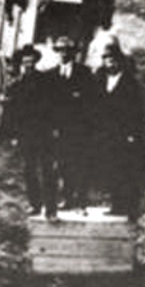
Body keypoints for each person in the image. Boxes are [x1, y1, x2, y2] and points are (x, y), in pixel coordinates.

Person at [91, 38, 144, 220]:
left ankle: (129, 206)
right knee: (111, 168)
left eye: (113, 59)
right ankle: (116, 204)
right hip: (106, 133)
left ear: (120, 61)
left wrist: (132, 134)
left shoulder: (129, 83)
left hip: (124, 134)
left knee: (126, 170)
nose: (110, 62)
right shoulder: (100, 80)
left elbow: (137, 111)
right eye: (107, 59)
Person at [2, 45, 58, 218]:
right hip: (26, 134)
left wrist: (55, 128)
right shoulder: (16, 85)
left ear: (36, 62)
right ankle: (35, 205)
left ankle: (51, 209)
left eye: (31, 61)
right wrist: (12, 135)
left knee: (48, 170)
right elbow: (11, 112)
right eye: (25, 61)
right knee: (29, 170)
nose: (28, 64)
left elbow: (54, 108)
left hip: (44, 132)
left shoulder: (47, 82)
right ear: (21, 64)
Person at [44, 36, 94, 211]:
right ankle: (66, 198)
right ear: (57, 52)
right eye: (61, 50)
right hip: (58, 129)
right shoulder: (50, 75)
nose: (64, 54)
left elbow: (89, 101)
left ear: (74, 53)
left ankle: (81, 200)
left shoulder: (84, 73)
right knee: (62, 164)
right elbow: (47, 105)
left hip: (78, 128)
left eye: (68, 51)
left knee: (79, 163)